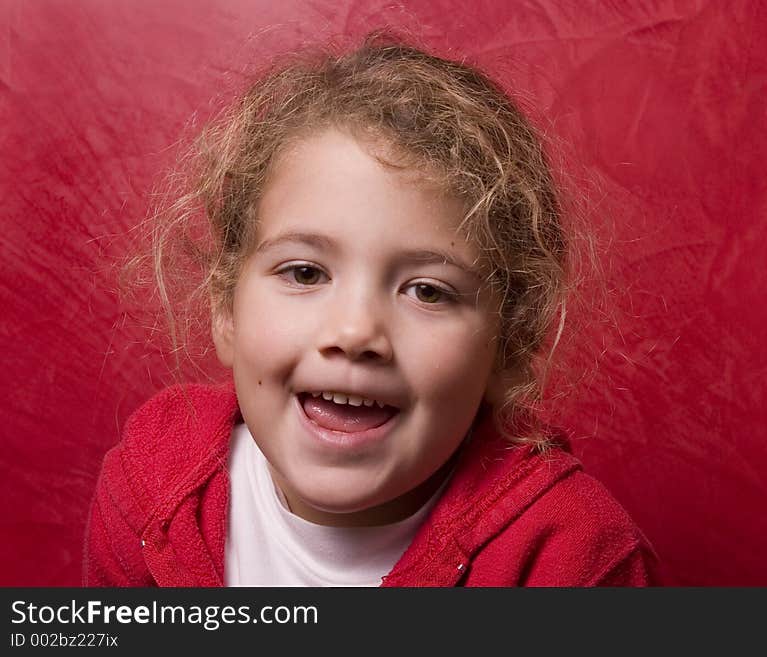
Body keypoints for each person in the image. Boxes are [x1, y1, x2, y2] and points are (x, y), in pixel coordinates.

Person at [84, 34, 658, 586]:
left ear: (510, 345)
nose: (355, 332)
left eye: (427, 291)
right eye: (305, 273)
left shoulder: (571, 559)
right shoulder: (151, 490)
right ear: (225, 308)